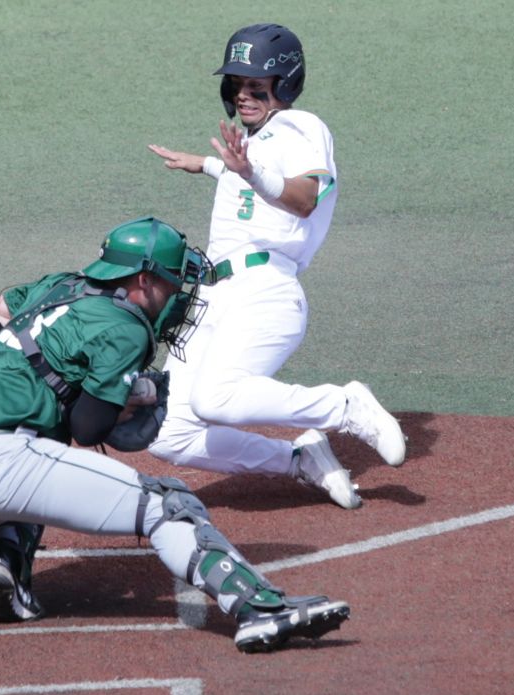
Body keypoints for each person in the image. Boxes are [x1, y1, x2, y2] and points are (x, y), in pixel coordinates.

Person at [0, 216, 350, 652]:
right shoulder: (126, 327)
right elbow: (88, 427)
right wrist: (128, 396)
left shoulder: (59, 286)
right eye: (172, 284)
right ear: (144, 280)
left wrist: (44, 362)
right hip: (2, 466)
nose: (179, 298)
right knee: (171, 504)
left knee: (44, 450)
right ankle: (257, 610)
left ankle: (7, 566)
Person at [146, 23, 406, 510]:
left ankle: (344, 406)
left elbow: (305, 197)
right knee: (165, 431)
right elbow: (248, 175)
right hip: (211, 297)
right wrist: (204, 163)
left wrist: (245, 170)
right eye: (235, 85)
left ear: (284, 85)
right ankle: (299, 459)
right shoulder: (256, 144)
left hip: (265, 291)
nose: (243, 95)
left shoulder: (301, 127)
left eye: (256, 86)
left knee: (214, 400)